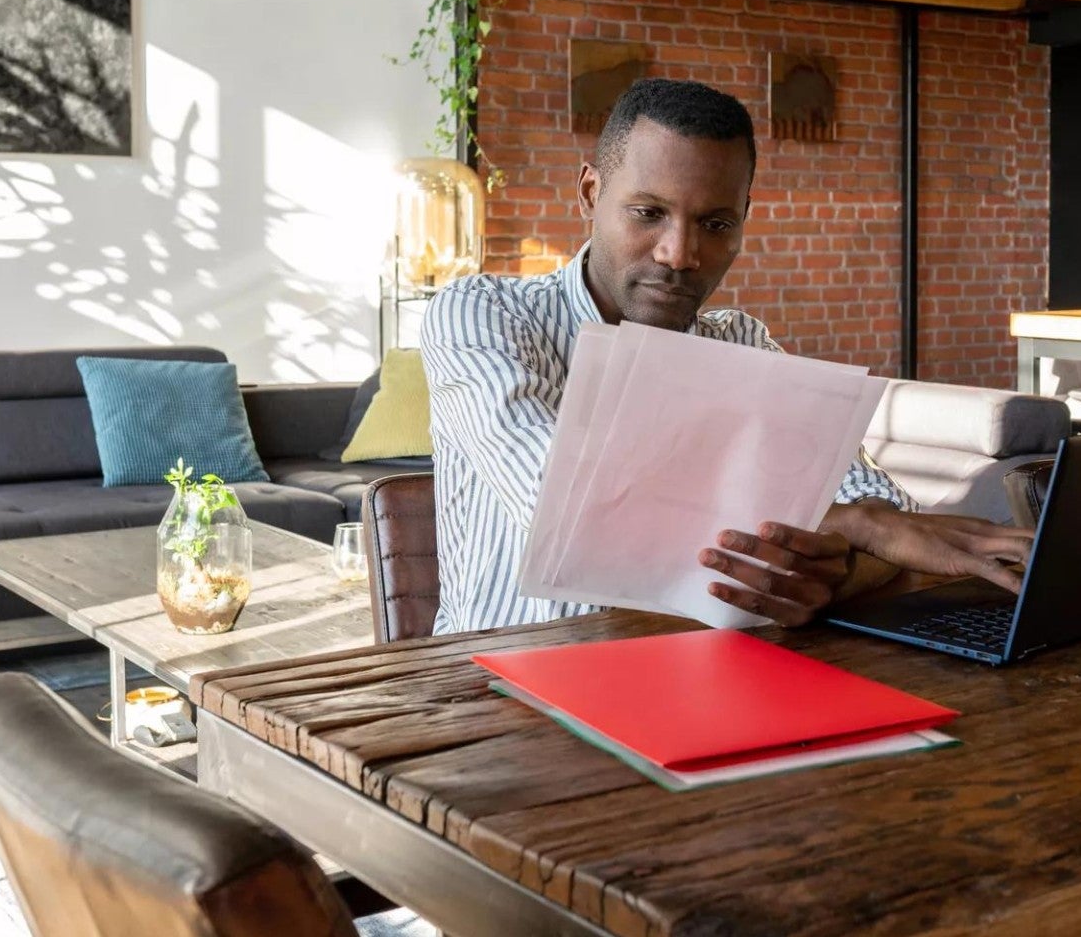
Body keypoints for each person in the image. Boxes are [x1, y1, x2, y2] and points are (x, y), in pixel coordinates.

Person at [421, 78, 1034, 635]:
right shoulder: (482, 314)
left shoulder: (741, 342)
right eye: (648, 213)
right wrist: (851, 527)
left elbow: (891, 520)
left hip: (693, 677)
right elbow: (576, 513)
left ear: (743, 219)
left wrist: (836, 558)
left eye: (714, 224)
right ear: (589, 193)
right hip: (500, 683)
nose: (679, 253)